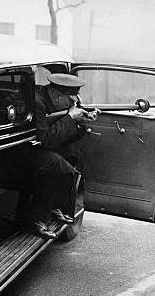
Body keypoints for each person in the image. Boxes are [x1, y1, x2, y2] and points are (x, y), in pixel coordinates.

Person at [13, 73, 100, 239]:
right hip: (17, 151)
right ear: (56, 94)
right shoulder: (37, 102)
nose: (76, 101)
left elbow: (61, 134)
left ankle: (54, 206)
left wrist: (82, 121)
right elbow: (46, 140)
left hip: (37, 148)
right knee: (56, 164)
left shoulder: (53, 100)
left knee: (71, 156)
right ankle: (34, 219)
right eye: (72, 96)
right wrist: (69, 117)